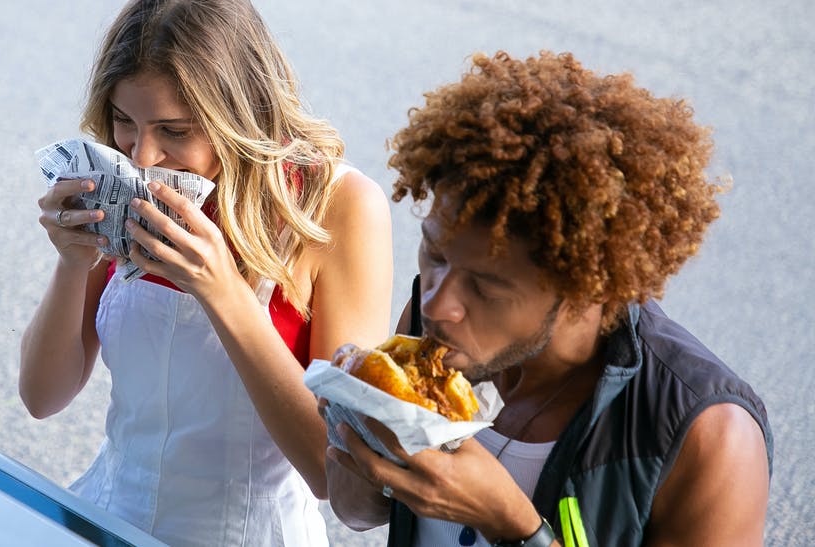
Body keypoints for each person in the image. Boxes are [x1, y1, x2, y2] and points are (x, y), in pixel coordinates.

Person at [323, 51, 772, 546]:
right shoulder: (436, 336)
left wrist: (515, 528)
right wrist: (360, 448)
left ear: (591, 287)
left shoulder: (709, 435)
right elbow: (356, 512)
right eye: (433, 252)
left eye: (487, 285)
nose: (436, 303)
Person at [18, 0, 393, 546]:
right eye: (124, 121)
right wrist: (71, 262)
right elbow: (43, 396)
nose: (142, 156)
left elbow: (332, 472)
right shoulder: (122, 182)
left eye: (173, 129)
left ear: (240, 115)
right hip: (107, 519)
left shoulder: (340, 206)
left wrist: (222, 291)